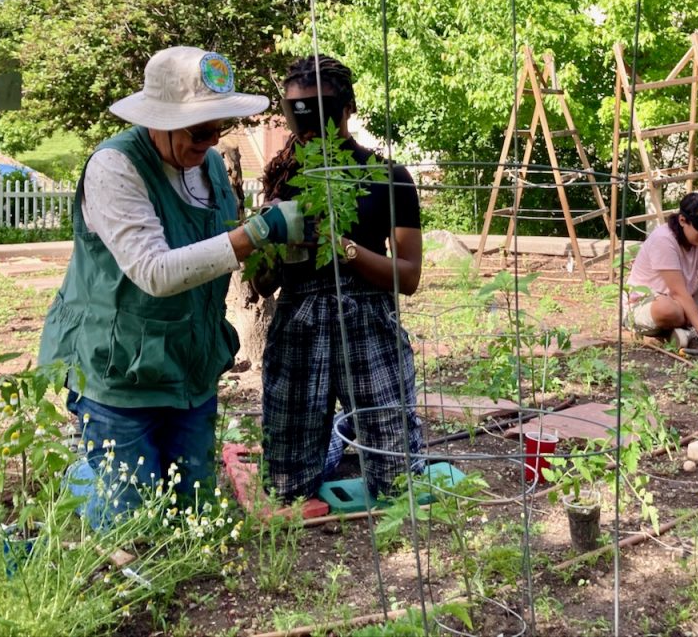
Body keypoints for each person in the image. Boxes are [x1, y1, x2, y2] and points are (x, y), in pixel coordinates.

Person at [39, 46, 303, 525]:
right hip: (121, 369)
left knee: (191, 514)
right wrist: (255, 234)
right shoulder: (115, 168)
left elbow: (216, 245)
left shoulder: (212, 166)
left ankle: (99, 481)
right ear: (158, 119)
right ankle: (83, 480)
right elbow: (155, 271)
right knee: (129, 522)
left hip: (189, 364)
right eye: (198, 129)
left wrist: (266, 251)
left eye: (218, 127)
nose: (210, 139)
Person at [259, 54, 425, 503]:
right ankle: (334, 442)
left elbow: (408, 277)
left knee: (397, 484)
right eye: (297, 111)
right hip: (299, 325)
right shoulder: (284, 180)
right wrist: (269, 240)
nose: (309, 124)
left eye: (320, 110)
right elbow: (262, 284)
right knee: (285, 490)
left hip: (369, 323)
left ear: (348, 108)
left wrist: (342, 248)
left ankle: (347, 435)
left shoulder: (389, 177)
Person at [626, 193, 698, 353]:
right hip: (650, 302)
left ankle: (691, 330)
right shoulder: (664, 240)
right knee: (667, 309)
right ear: (683, 220)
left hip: (686, 301)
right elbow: (678, 292)